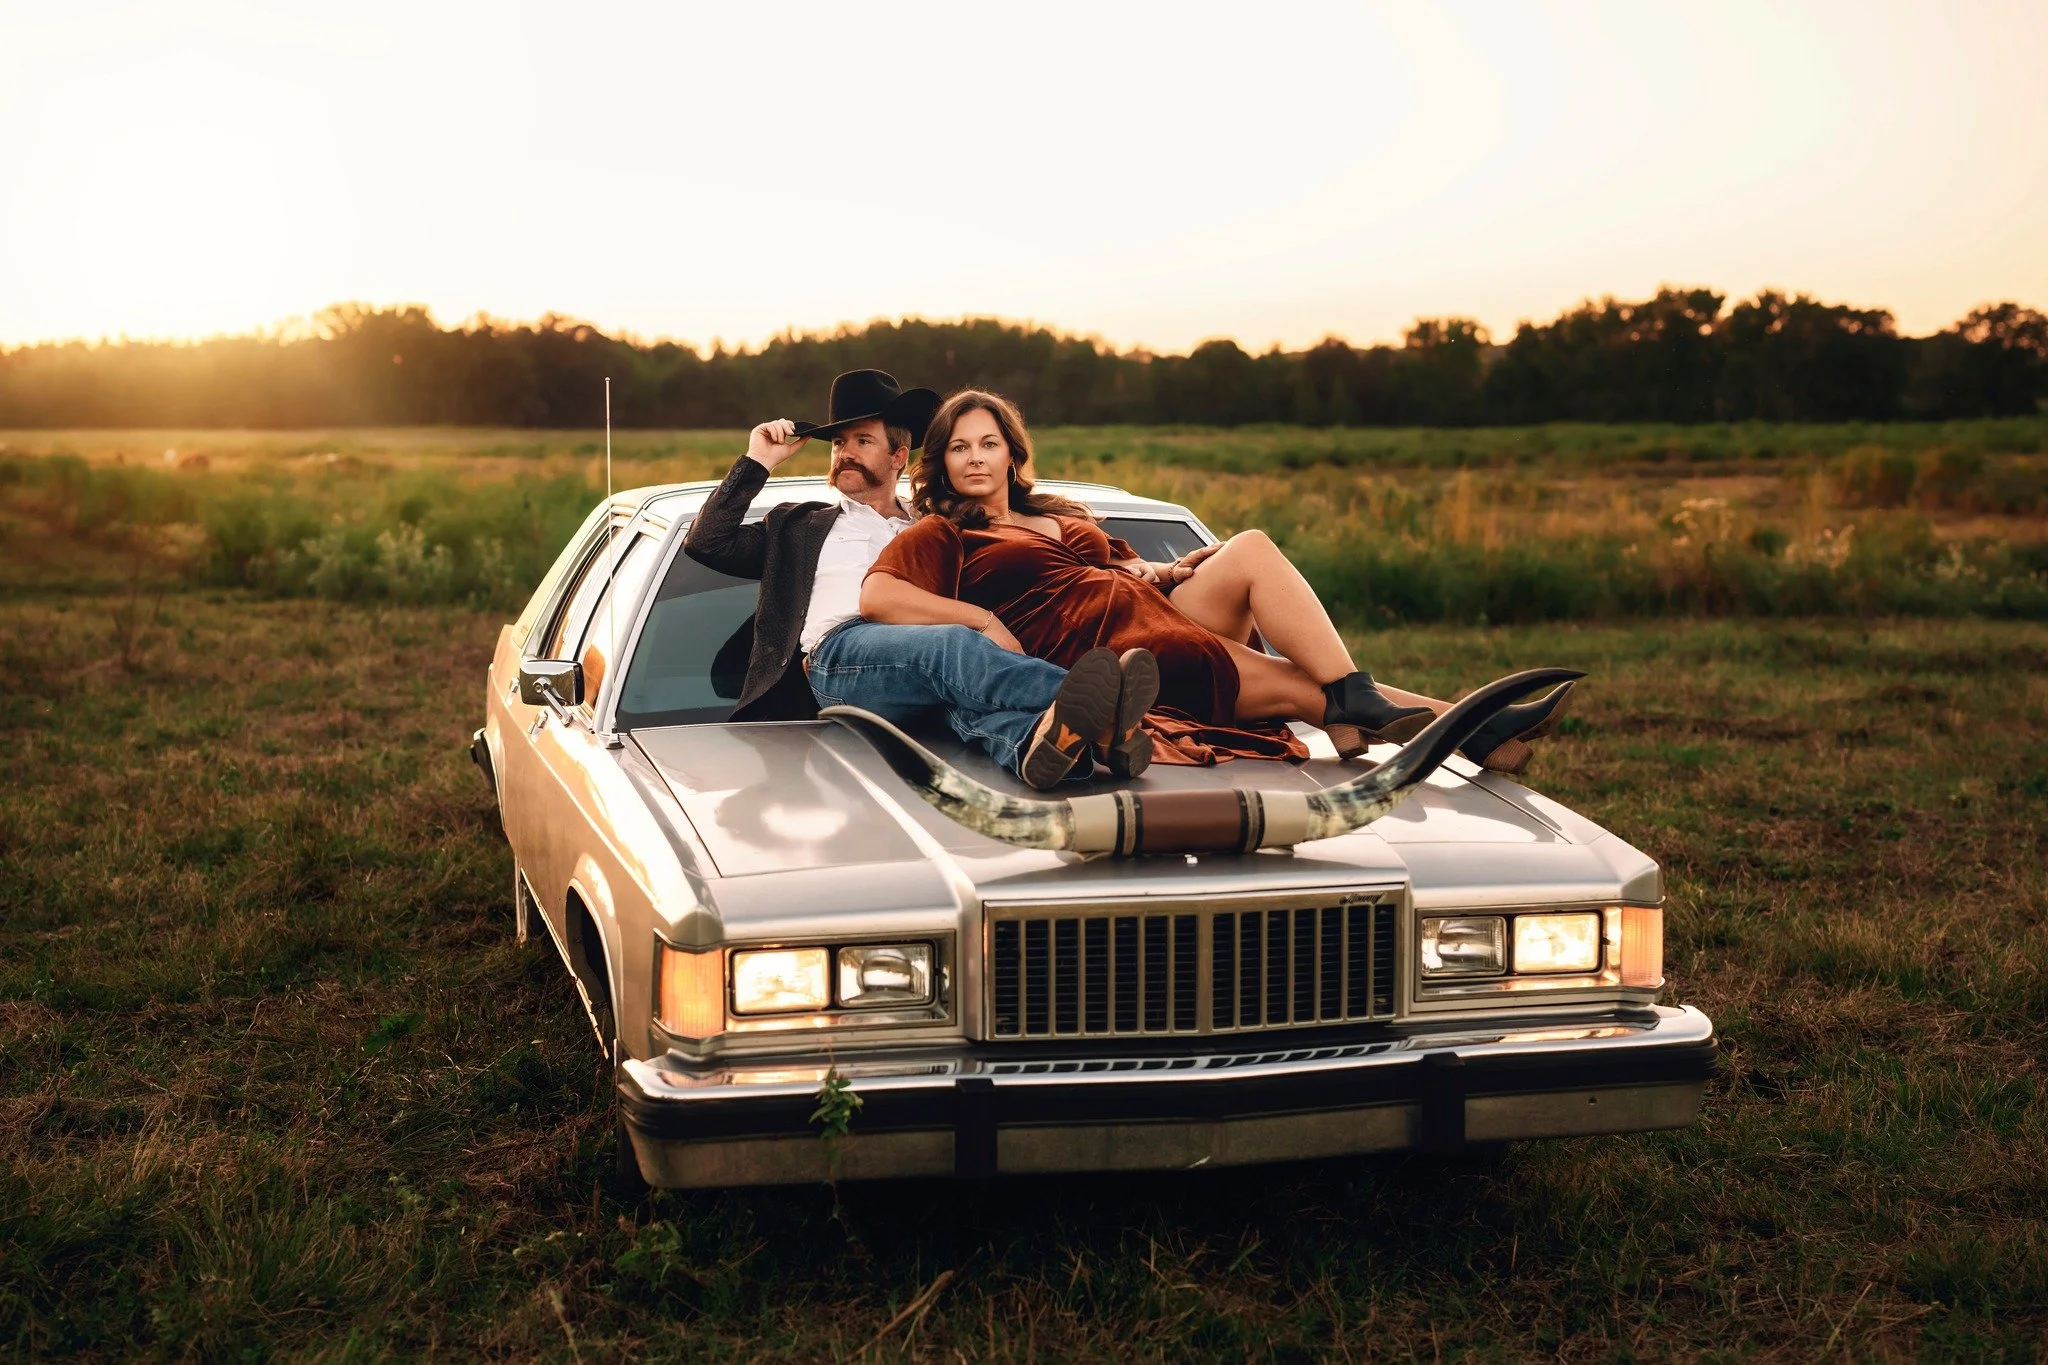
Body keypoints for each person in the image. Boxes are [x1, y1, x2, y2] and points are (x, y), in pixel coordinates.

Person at [860, 389, 1573, 772]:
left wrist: (1170, 567)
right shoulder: (946, 533)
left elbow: (1130, 571)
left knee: (1251, 547)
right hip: (1112, 653)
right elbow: (878, 597)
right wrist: (980, 622)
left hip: (1152, 607)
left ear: (1012, 453)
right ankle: (1473, 727)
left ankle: (1393, 711)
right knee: (1302, 688)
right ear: (942, 463)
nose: (975, 458)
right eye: (959, 447)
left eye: (988, 443)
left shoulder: (1062, 514)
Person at [682, 369, 1158, 790]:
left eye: (861, 441)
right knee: (951, 646)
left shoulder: (935, 526)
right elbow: (708, 541)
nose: (845, 453)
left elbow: (1036, 559)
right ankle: (1106, 709)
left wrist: (1134, 567)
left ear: (897, 456)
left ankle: (1052, 750)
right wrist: (757, 462)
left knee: (966, 705)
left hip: (919, 680)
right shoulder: (799, 526)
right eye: (838, 443)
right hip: (838, 660)